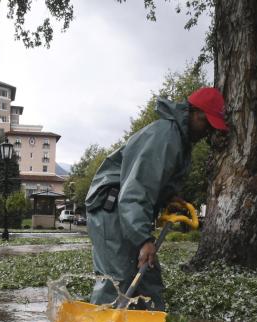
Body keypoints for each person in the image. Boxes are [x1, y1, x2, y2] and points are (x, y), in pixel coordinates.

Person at [83, 87, 228, 310]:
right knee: (116, 281)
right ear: (192, 111)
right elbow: (135, 191)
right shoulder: (166, 137)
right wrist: (144, 240)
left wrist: (169, 197)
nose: (207, 130)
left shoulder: (180, 139)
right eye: (205, 122)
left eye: (212, 126)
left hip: (128, 210)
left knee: (148, 280)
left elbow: (153, 183)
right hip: (111, 208)